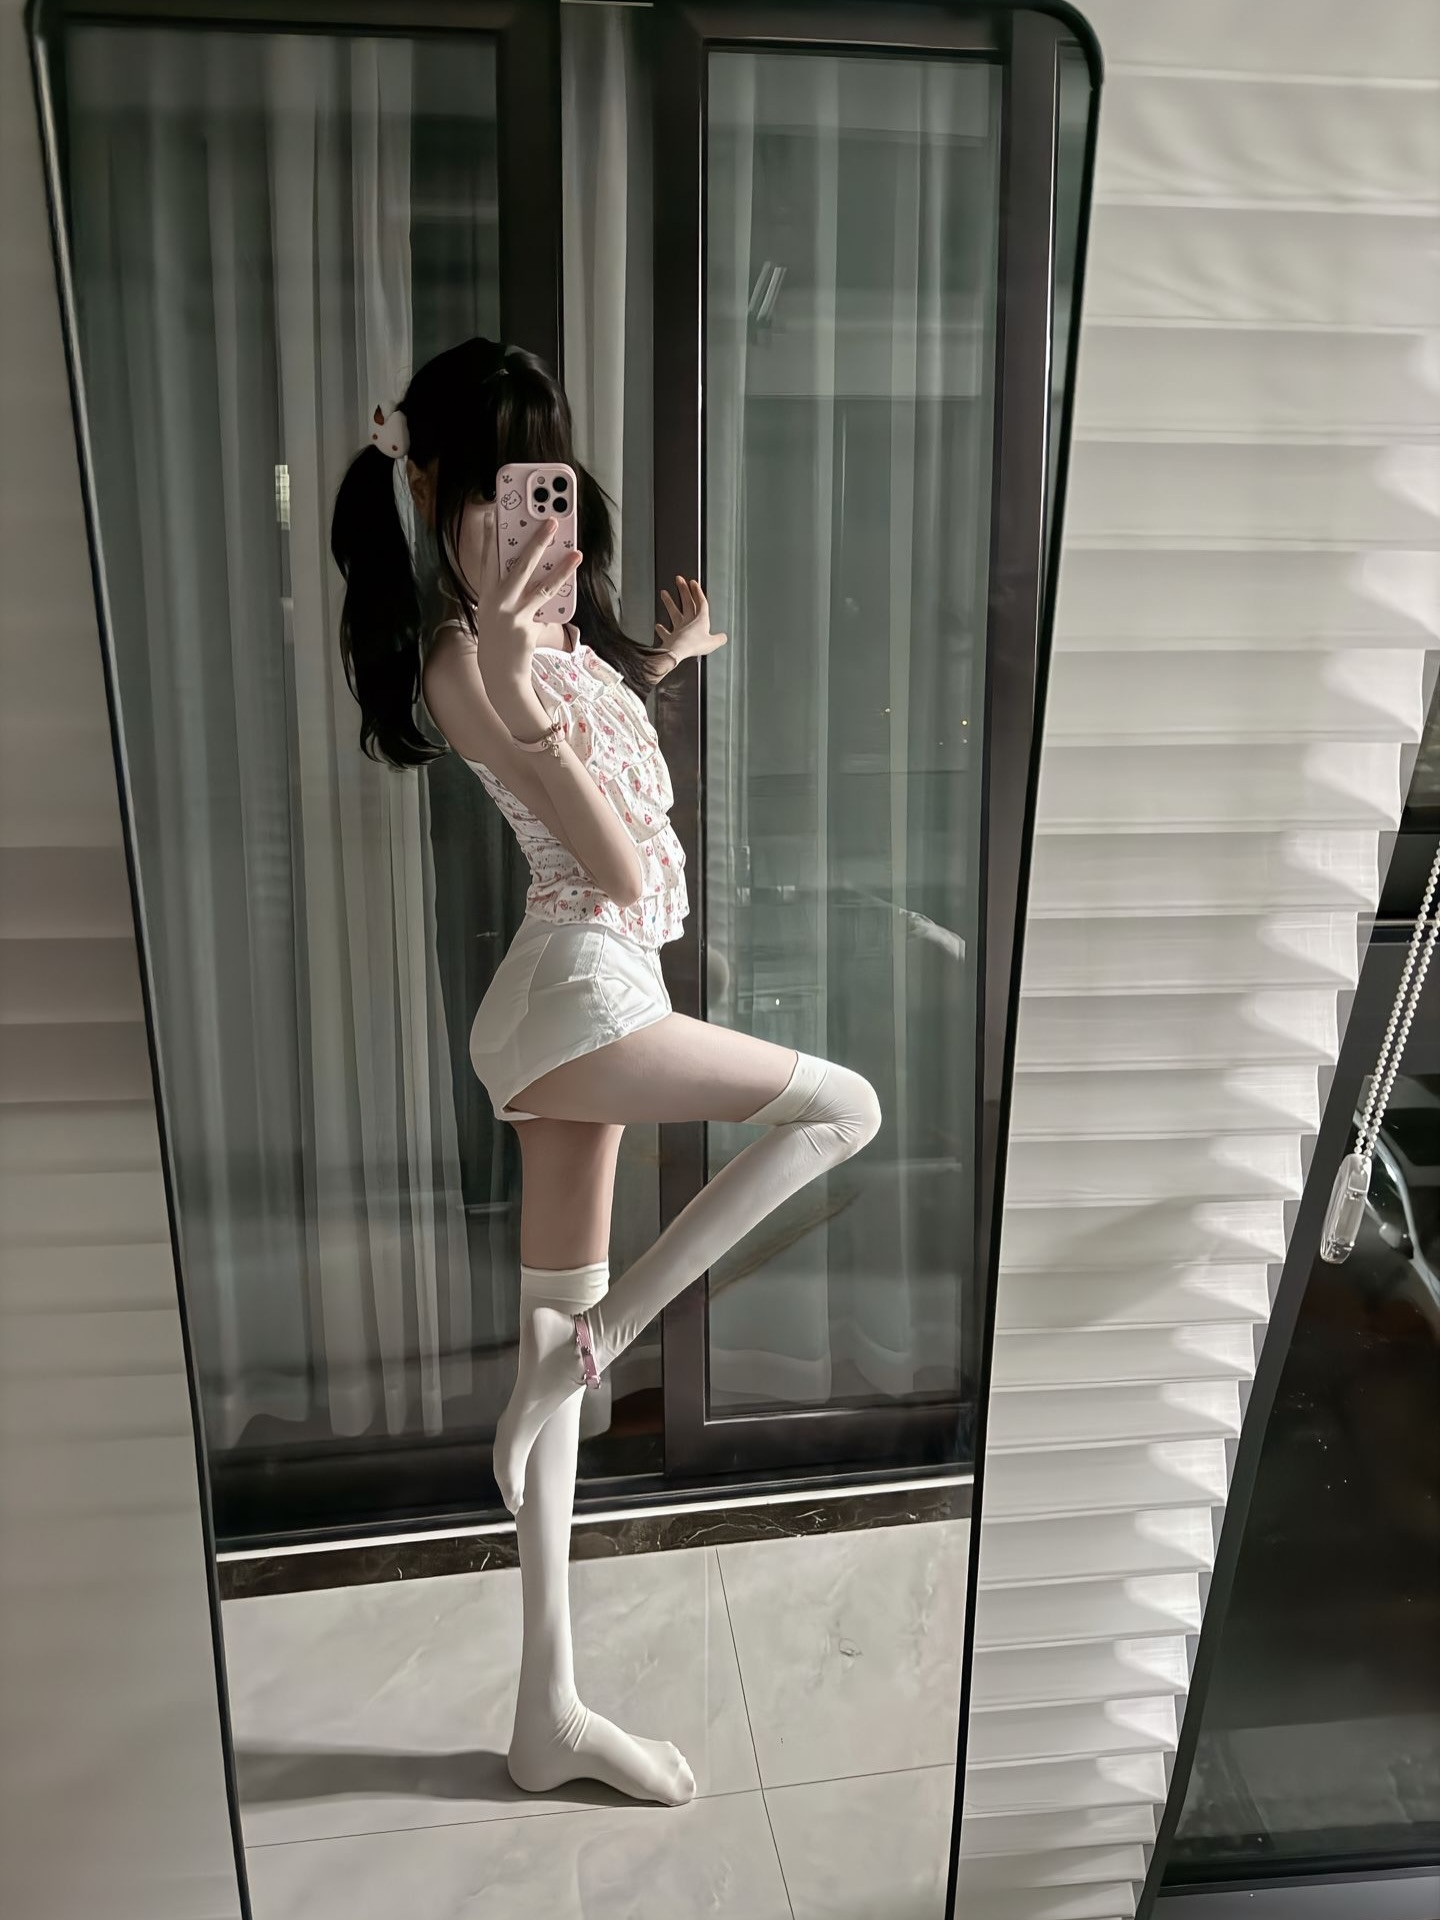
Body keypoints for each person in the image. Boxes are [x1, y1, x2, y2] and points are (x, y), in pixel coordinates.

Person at [330, 335, 881, 1808]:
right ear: (435, 493)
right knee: (844, 1108)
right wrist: (521, 685)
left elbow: (604, 732)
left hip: (577, 1003)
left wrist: (662, 662)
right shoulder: (468, 662)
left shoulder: (554, 649)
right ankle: (597, 1351)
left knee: (549, 1363)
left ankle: (548, 1711)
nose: (533, 519)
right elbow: (621, 868)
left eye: (549, 482)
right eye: (499, 489)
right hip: (578, 994)